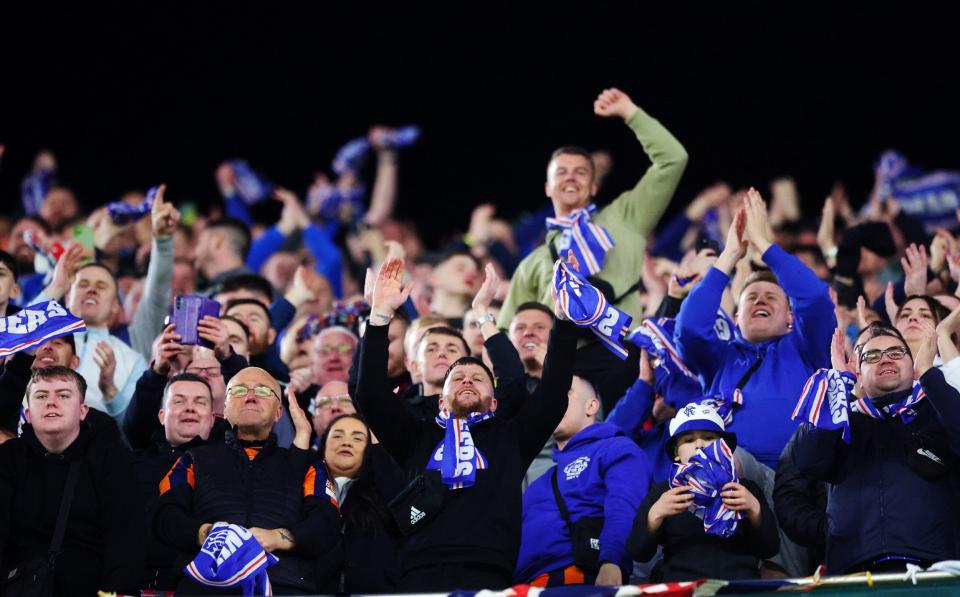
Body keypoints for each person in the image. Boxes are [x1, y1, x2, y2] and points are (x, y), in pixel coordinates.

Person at [356, 256, 579, 591]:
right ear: (442, 400)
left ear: (494, 400)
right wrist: (379, 316)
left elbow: (553, 391)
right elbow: (370, 394)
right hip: (417, 573)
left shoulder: (511, 437)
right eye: (457, 377)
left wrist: (563, 320)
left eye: (478, 377)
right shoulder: (417, 435)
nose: (467, 380)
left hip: (490, 573)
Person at [499, 87, 688, 404]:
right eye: (561, 172)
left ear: (595, 184)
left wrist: (631, 113)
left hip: (624, 352)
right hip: (563, 363)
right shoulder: (532, 262)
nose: (570, 178)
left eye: (581, 172)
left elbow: (673, 160)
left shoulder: (627, 216)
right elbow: (507, 327)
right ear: (548, 187)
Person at [675, 189, 836, 470]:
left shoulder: (807, 348)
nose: (760, 299)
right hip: (730, 482)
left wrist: (765, 245)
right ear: (736, 318)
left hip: (800, 481)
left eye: (771, 297)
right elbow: (689, 329)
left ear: (790, 317)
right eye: (751, 297)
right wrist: (728, 257)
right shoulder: (719, 358)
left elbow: (815, 300)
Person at [792, 322, 960, 574]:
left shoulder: (936, 409)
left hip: (934, 563)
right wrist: (840, 387)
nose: (885, 359)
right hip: (854, 566)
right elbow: (808, 459)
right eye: (871, 356)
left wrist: (928, 373)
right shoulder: (843, 419)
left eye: (896, 352)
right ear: (858, 374)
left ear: (912, 366)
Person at [154, 366, 338, 594]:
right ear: (225, 408)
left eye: (262, 392)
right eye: (239, 390)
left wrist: (278, 538)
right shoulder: (192, 459)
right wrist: (206, 533)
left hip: (285, 585)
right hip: (205, 585)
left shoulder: (308, 465)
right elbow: (164, 516)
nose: (250, 396)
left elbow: (327, 524)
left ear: (279, 412)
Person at [0, 366, 146, 595]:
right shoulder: (8, 458)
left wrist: (116, 592)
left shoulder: (110, 459)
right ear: (27, 415)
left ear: (83, 411)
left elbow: (125, 538)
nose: (51, 402)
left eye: (63, 395)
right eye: (41, 396)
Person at [516, 376, 651, 587]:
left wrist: (612, 562)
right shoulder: (539, 483)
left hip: (579, 580)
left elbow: (624, 507)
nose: (554, 399)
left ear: (591, 406)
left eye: (566, 391)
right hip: (524, 587)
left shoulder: (616, 448)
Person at [627, 404, 779, 581]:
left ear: (724, 448)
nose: (699, 445)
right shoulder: (663, 493)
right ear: (676, 453)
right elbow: (638, 553)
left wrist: (755, 510)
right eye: (689, 440)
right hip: (683, 588)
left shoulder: (745, 489)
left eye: (708, 437)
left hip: (738, 588)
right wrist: (654, 516)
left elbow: (770, 549)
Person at [132, 373, 217, 591]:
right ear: (162, 415)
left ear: (213, 418)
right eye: (178, 401)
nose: (189, 408)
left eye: (200, 402)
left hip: (201, 587)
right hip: (134, 583)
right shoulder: (130, 465)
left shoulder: (229, 467)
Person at [313, 414, 406, 594]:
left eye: (358, 438)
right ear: (323, 445)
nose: (346, 443)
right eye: (338, 436)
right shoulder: (303, 488)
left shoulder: (385, 493)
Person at [509, 302, 555, 385]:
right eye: (520, 328)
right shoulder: (494, 384)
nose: (528, 332)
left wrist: (553, 368)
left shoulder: (577, 378)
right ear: (509, 338)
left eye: (539, 327)